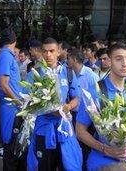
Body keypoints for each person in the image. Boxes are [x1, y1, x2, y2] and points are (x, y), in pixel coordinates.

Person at [76, 42, 126, 171]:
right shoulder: (95, 92)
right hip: (102, 161)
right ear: (109, 61)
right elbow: (80, 131)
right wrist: (106, 149)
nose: (124, 64)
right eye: (118, 59)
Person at [26, 37, 82, 171]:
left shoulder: (68, 73)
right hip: (43, 129)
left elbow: (76, 98)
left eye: (52, 51)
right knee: (44, 166)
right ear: (41, 52)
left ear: (59, 52)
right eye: (45, 51)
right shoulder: (34, 74)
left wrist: (68, 107)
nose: (48, 55)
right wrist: (48, 109)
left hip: (64, 128)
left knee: (67, 165)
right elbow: (27, 102)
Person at [0, 27, 27, 171]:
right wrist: (18, 102)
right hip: (11, 108)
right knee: (11, 147)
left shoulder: (7, 55)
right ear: (15, 40)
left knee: (16, 147)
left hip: (13, 107)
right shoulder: (6, 56)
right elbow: (3, 85)